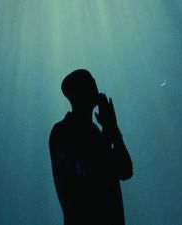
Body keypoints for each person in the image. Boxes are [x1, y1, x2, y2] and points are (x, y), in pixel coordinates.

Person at [49, 69, 133, 225]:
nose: (95, 86)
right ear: (76, 93)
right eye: (89, 83)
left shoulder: (98, 134)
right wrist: (109, 131)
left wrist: (114, 130)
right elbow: (89, 167)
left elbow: (126, 171)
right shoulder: (63, 130)